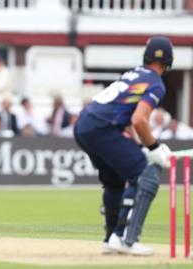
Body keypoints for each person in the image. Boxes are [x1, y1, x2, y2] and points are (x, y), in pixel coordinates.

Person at [74, 36, 174, 256]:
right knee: (144, 173)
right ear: (168, 61)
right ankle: (123, 238)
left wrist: (141, 148)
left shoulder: (132, 74)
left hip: (84, 125)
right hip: (103, 128)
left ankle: (110, 239)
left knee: (115, 182)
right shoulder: (156, 83)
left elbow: (127, 120)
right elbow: (139, 119)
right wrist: (155, 148)